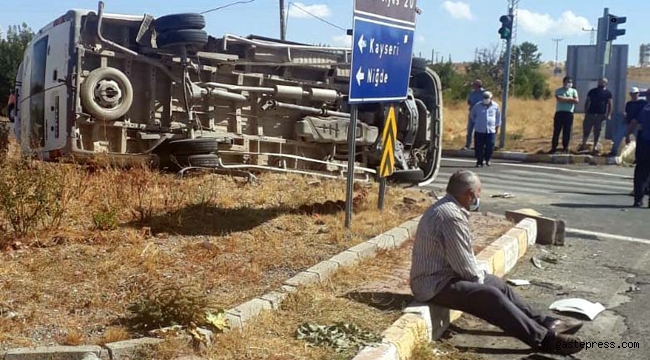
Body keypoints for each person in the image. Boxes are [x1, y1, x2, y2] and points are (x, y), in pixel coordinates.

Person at [410, 170, 584, 356]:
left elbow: (463, 262)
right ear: (470, 194)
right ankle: (545, 340)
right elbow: (465, 267)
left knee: (498, 284)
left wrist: (483, 277)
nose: (479, 197)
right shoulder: (450, 217)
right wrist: (479, 281)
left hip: (444, 275)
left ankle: (544, 321)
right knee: (488, 295)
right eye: (478, 192)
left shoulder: (448, 208)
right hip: (432, 284)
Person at [610, 87, 647, 157]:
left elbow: (637, 119)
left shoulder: (642, 103)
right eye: (633, 94)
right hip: (628, 123)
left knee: (640, 141)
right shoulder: (629, 104)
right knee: (618, 136)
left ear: (638, 94)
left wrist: (628, 135)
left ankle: (640, 155)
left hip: (638, 125)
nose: (634, 95)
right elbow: (627, 114)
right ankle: (614, 152)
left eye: (636, 93)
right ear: (630, 94)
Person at [580, 78, 613, 155]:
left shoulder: (608, 93)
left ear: (606, 83)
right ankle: (583, 145)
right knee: (586, 129)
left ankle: (595, 147)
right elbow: (587, 101)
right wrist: (586, 112)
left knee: (597, 131)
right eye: (600, 82)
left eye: (603, 82)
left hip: (601, 115)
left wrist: (608, 114)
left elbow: (610, 104)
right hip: (590, 114)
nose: (601, 83)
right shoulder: (592, 91)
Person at [629, 89, 650, 207]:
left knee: (640, 171)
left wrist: (628, 134)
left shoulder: (643, 108)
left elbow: (634, 122)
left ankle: (638, 199)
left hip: (643, 143)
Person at [469, 91, 500, 167]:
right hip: (479, 130)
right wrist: (477, 122)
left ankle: (488, 159)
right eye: (484, 97)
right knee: (479, 146)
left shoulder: (495, 106)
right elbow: (472, 115)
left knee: (490, 145)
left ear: (491, 98)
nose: (486, 99)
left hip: (490, 130)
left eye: (487, 98)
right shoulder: (477, 106)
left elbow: (498, 117)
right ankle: (479, 161)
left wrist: (497, 126)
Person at [550, 76, 579, 154]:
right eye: (568, 82)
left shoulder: (574, 91)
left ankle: (565, 147)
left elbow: (576, 101)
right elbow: (559, 99)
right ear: (564, 82)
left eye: (570, 82)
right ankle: (554, 147)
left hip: (569, 113)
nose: (569, 83)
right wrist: (570, 99)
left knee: (567, 131)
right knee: (557, 130)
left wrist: (566, 99)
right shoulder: (558, 90)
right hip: (560, 113)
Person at [464, 79, 485, 150]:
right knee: (469, 129)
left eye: (474, 84)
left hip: (480, 114)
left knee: (479, 130)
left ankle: (478, 145)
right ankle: (468, 145)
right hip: (472, 113)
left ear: (478, 85)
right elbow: (469, 101)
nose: (473, 86)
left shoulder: (484, 93)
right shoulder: (472, 93)